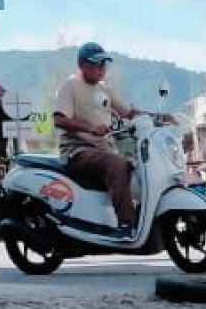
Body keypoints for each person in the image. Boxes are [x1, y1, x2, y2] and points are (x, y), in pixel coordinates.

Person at [52, 42, 148, 240]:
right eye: (97, 64)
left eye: (104, 64)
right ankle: (125, 226)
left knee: (135, 167)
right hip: (77, 151)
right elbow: (59, 119)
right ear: (82, 65)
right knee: (118, 163)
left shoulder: (104, 89)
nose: (102, 68)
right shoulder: (69, 86)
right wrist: (90, 128)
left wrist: (159, 118)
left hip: (102, 151)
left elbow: (129, 113)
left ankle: (138, 219)